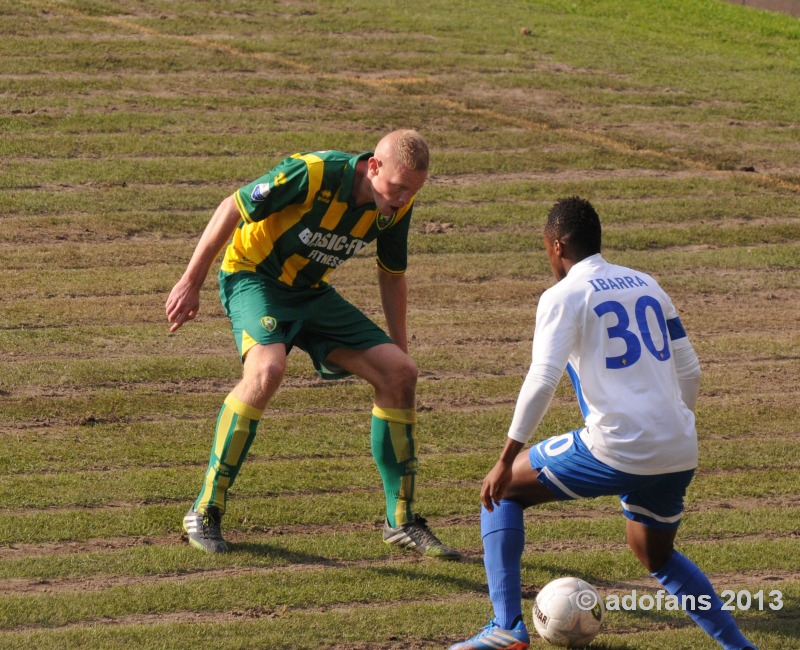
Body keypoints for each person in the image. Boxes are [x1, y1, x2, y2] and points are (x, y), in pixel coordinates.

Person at [450, 197, 757, 649]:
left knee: (505, 491)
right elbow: (690, 370)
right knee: (655, 554)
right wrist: (673, 426)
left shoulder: (563, 295)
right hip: (678, 447)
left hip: (617, 446)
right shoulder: (648, 283)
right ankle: (739, 647)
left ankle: (505, 628)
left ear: (556, 246)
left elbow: (541, 380)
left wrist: (504, 458)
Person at [165, 129, 460, 561]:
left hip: (310, 292)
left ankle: (402, 521)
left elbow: (392, 273)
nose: (401, 200)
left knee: (401, 375)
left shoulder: (398, 203)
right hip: (253, 278)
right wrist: (191, 281)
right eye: (397, 188)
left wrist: (400, 347)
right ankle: (205, 507)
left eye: (412, 191)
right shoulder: (314, 173)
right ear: (373, 166)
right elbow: (233, 205)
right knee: (267, 370)